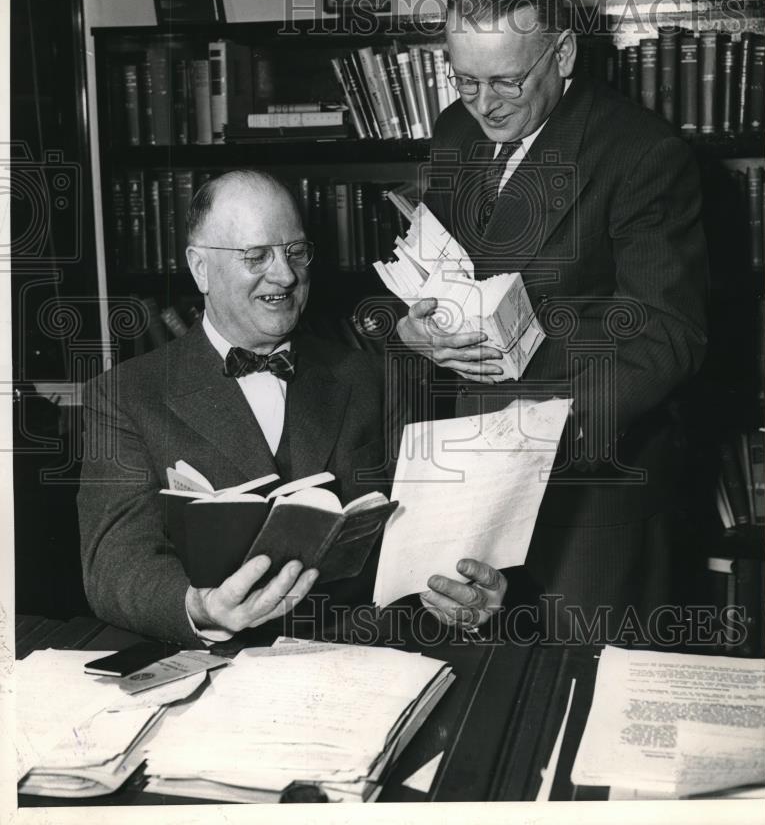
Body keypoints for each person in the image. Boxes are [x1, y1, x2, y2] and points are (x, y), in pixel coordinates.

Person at [395, 0, 708, 641]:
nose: (485, 104)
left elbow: (668, 336)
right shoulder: (455, 131)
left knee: (587, 709)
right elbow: (436, 268)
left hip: (590, 492)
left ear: (562, 53)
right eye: (466, 79)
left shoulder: (642, 154)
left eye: (507, 80)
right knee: (478, 697)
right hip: (467, 482)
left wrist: (538, 439)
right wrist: (411, 330)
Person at [78, 170, 506, 646]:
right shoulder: (123, 396)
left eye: (296, 251)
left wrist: (459, 595)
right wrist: (200, 608)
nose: (284, 275)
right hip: (218, 675)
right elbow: (115, 563)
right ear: (200, 268)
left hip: (362, 660)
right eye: (256, 256)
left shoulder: (372, 375)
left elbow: (423, 545)